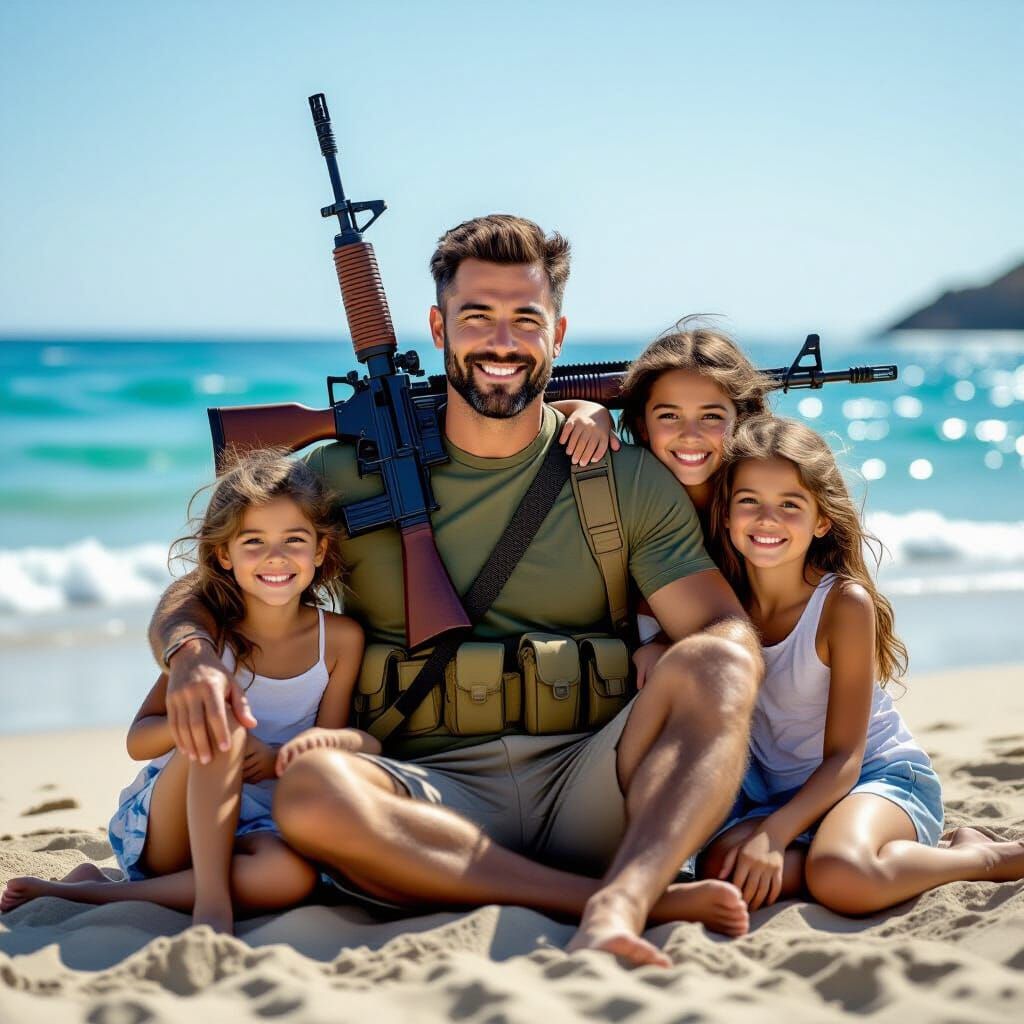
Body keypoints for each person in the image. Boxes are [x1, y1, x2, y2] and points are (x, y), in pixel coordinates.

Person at [147, 214, 764, 966]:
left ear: (558, 336)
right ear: (439, 326)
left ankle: (623, 900)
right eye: (478, 317)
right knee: (310, 788)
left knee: (722, 664)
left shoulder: (624, 478)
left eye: (524, 319)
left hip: (592, 781)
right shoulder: (343, 475)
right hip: (428, 797)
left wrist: (671, 649)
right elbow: (205, 583)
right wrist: (189, 655)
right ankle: (613, 899)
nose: (502, 341)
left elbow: (727, 636)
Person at [1, 451, 372, 934]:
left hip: (261, 824)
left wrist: (281, 757)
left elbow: (330, 743)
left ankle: (91, 889)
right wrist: (210, 724)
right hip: (171, 828)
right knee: (220, 729)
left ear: (320, 551)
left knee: (291, 879)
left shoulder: (339, 640)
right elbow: (138, 740)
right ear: (224, 554)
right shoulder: (209, 639)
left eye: (294, 540)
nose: (275, 557)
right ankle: (211, 904)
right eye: (253, 541)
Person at [696, 415, 1024, 913]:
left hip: (875, 779)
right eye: (749, 502)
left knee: (840, 876)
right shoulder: (721, 603)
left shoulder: (843, 605)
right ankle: (869, 856)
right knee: (724, 871)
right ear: (725, 514)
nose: (767, 520)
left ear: (821, 520)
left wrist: (774, 834)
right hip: (786, 798)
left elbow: (845, 759)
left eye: (790, 505)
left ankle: (982, 855)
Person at [559, 323, 771, 684]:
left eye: (711, 417)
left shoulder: (758, 507)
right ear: (642, 426)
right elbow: (520, 414)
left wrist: (664, 643)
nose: (690, 435)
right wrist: (586, 408)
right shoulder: (633, 495)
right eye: (669, 416)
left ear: (742, 420)